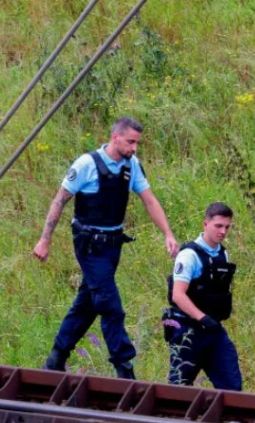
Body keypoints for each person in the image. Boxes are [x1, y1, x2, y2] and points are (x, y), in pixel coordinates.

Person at [33, 117, 178, 379]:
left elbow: (149, 200)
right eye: (130, 142)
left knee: (87, 304)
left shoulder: (131, 166)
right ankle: (125, 371)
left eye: (137, 143)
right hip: (89, 244)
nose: (135, 148)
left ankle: (55, 360)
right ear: (115, 137)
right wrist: (45, 239)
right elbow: (59, 200)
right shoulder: (87, 164)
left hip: (113, 246)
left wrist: (167, 233)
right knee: (111, 306)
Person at [164, 202, 242, 390]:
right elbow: (178, 295)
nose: (223, 231)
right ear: (205, 224)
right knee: (179, 390)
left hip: (213, 330)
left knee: (232, 387)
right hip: (188, 330)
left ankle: (232, 420)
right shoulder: (190, 255)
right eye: (218, 226)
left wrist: (211, 321)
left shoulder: (222, 253)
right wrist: (202, 318)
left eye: (227, 227)